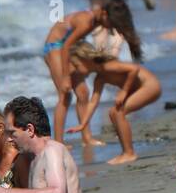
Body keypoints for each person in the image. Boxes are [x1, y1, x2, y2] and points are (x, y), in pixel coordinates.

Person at [42, 0, 140, 143]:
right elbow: (66, 46)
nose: (111, 27)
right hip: (56, 47)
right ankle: (58, 142)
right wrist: (65, 77)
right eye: (111, 23)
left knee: (83, 94)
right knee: (65, 95)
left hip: (67, 49)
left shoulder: (97, 18)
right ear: (105, 14)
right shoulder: (87, 21)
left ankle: (86, 137)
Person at [65, 33, 160, 166]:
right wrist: (83, 124)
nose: (75, 70)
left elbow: (134, 69)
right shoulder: (100, 78)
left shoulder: (108, 65)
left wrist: (124, 91)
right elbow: (93, 101)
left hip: (149, 85)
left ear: (84, 59)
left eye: (75, 65)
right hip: (141, 88)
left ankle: (129, 153)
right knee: (113, 113)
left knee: (118, 112)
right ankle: (125, 152)